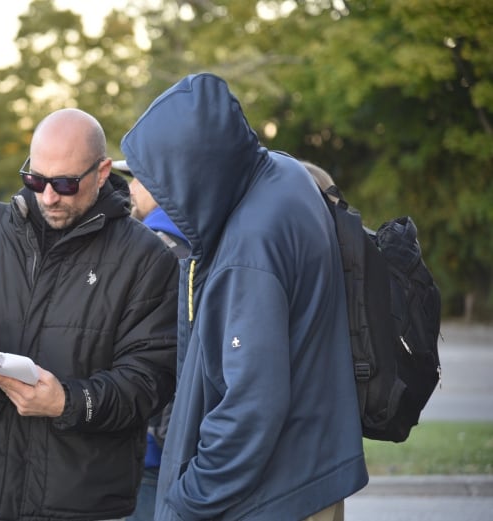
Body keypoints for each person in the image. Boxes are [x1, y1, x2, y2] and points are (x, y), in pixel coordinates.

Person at [0, 108, 179, 520]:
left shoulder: (146, 256)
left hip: (84, 503)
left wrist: (68, 402)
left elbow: (150, 380)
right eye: (36, 180)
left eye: (65, 183)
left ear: (102, 172)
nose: (48, 196)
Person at [120, 73, 369, 520]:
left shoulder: (248, 248)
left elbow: (250, 407)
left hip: (273, 494)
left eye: (160, 178)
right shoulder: (283, 174)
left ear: (192, 168)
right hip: (308, 470)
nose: (156, 193)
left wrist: (188, 500)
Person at [113, 159, 188, 521]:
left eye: (137, 180)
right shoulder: (208, 245)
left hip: (149, 440)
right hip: (188, 435)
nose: (130, 189)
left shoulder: (144, 250)